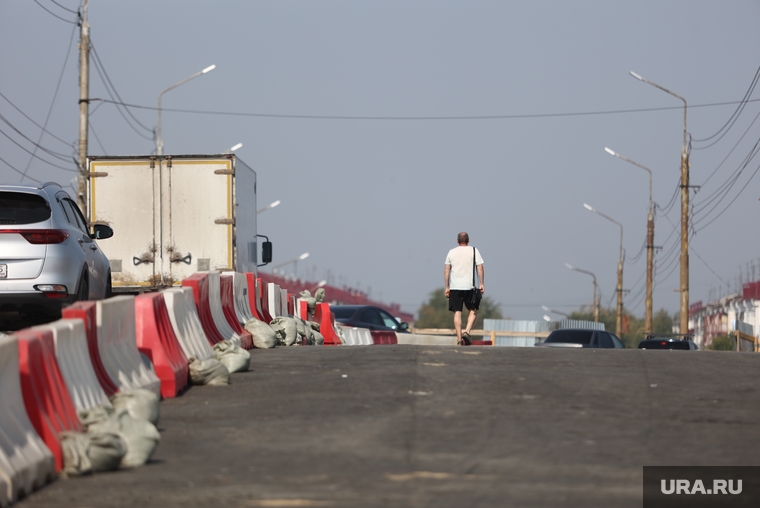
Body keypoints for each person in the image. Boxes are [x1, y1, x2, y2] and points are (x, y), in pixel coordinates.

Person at [444, 232, 484, 345]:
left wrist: (447, 287)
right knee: (473, 309)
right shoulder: (474, 251)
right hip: (469, 286)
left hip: (455, 286)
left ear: (457, 240)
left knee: (457, 312)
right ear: (469, 240)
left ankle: (458, 339)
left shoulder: (451, 252)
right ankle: (467, 332)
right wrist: (481, 283)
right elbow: (480, 267)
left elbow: (447, 270)